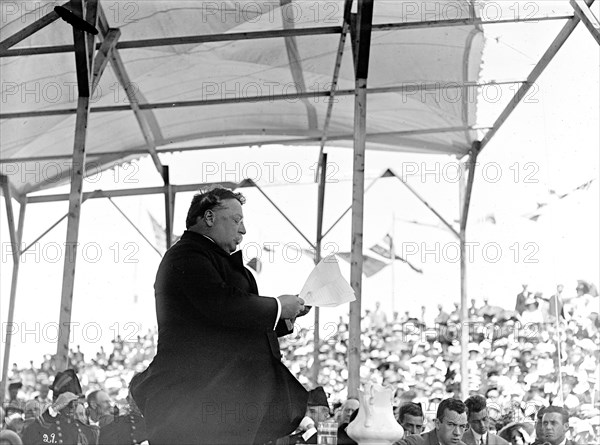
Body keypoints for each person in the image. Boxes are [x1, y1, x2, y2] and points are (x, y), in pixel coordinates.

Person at [130, 187, 309, 445]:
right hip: (194, 405)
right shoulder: (186, 255)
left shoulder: (214, 259)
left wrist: (283, 318)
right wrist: (278, 307)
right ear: (210, 217)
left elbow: (229, 324)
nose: (244, 230)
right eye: (236, 220)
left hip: (221, 405)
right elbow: (223, 305)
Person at [21, 369, 98, 445]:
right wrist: (53, 409)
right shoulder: (41, 426)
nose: (72, 406)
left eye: (74, 402)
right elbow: (28, 438)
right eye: (67, 402)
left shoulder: (87, 431)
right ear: (55, 400)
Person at [396, 398, 468, 445]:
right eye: (451, 425)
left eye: (462, 426)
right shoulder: (415, 442)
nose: (457, 433)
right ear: (437, 423)